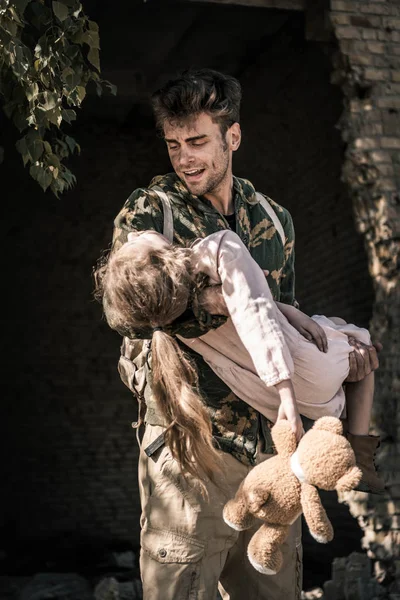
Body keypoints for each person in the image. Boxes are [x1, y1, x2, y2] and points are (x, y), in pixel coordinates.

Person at [106, 69, 380, 600]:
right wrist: (215, 302)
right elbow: (125, 308)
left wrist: (330, 361)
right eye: (173, 145)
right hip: (188, 456)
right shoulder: (150, 211)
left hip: (272, 459)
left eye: (198, 142)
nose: (184, 159)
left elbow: (282, 320)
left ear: (232, 137)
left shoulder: (274, 219)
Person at [96, 227, 384, 496]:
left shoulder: (168, 311)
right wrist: (287, 395)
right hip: (299, 378)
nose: (134, 234)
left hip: (275, 396)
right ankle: (359, 452)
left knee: (332, 337)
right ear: (160, 257)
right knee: (358, 338)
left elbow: (242, 306)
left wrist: (288, 313)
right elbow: (254, 312)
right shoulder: (219, 247)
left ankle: (338, 437)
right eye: (137, 241)